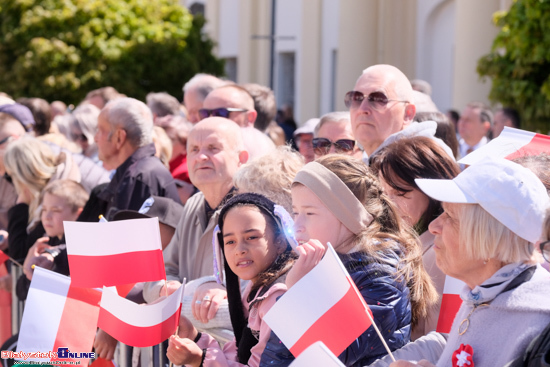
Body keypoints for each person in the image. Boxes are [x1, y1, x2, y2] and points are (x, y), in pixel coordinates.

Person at [385, 157, 550, 367]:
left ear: (490, 240)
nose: (434, 226)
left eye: (450, 217)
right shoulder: (485, 292)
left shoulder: (540, 323)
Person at [288, 155, 437, 366]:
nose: (297, 226)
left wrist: (299, 291)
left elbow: (333, 354)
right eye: (295, 213)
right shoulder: (324, 261)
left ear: (347, 216)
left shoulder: (381, 277)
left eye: (309, 213)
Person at [166, 193, 296, 367]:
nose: (239, 249)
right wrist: (195, 338)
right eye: (230, 241)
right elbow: (239, 352)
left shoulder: (278, 297)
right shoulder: (256, 290)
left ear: (280, 242)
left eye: (251, 237)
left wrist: (200, 360)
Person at [143, 117, 248, 324]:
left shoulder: (252, 212)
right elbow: (159, 276)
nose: (201, 156)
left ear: (241, 158)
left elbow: (255, 289)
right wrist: (168, 289)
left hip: (231, 351)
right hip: (187, 347)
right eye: (194, 149)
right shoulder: (193, 205)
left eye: (213, 148)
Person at [369, 136, 461, 340]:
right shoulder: (395, 236)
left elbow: (436, 334)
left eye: (401, 194)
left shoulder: (445, 246)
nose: (389, 204)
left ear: (432, 191)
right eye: (384, 194)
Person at [92, 97, 180, 220]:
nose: (95, 138)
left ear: (119, 137)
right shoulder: (142, 171)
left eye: (100, 130)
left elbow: (128, 237)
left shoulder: (138, 177)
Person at [4, 137, 81, 261]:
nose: (11, 182)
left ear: (24, 175)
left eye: (10, 176)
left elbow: (19, 255)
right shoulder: (50, 190)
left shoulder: (58, 196)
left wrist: (21, 204)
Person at [19, 180, 88, 296]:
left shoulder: (82, 247)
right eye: (44, 209)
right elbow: (21, 291)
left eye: (56, 211)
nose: (47, 217)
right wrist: (28, 269)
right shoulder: (46, 241)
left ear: (78, 213)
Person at [346, 64, 416, 158]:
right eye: (357, 98)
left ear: (408, 113)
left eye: (378, 99)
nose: (362, 109)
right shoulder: (366, 160)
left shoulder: (421, 163)